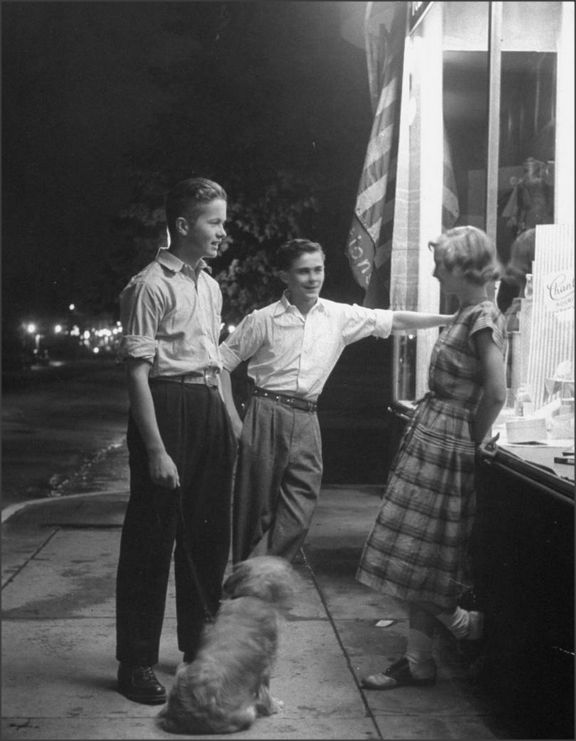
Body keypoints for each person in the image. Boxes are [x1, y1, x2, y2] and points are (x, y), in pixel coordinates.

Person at [218, 238, 454, 566]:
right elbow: (220, 365)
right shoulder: (263, 319)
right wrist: (234, 420)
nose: (313, 278)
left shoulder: (338, 316)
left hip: (307, 418)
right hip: (264, 413)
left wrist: (450, 319)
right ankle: (247, 592)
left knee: (299, 512)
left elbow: (394, 319)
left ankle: (260, 577)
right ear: (284, 276)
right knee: (254, 509)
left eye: (318, 269)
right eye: (303, 272)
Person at [356, 225, 507, 690]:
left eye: (442, 264)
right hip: (432, 436)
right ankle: (420, 660)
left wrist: (470, 440)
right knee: (417, 555)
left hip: (447, 443)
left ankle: (462, 626)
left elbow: (498, 392)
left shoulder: (482, 317)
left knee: (423, 556)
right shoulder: (464, 311)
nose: (437, 271)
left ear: (465, 268)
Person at [115, 177, 236, 705]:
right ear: (183, 225)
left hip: (207, 407)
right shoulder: (149, 285)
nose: (222, 232)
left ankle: (199, 645)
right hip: (165, 407)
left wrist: (229, 417)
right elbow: (138, 375)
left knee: (208, 535)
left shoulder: (209, 285)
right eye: (214, 221)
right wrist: (157, 449)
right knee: (151, 538)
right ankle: (136, 661)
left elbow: (214, 358)